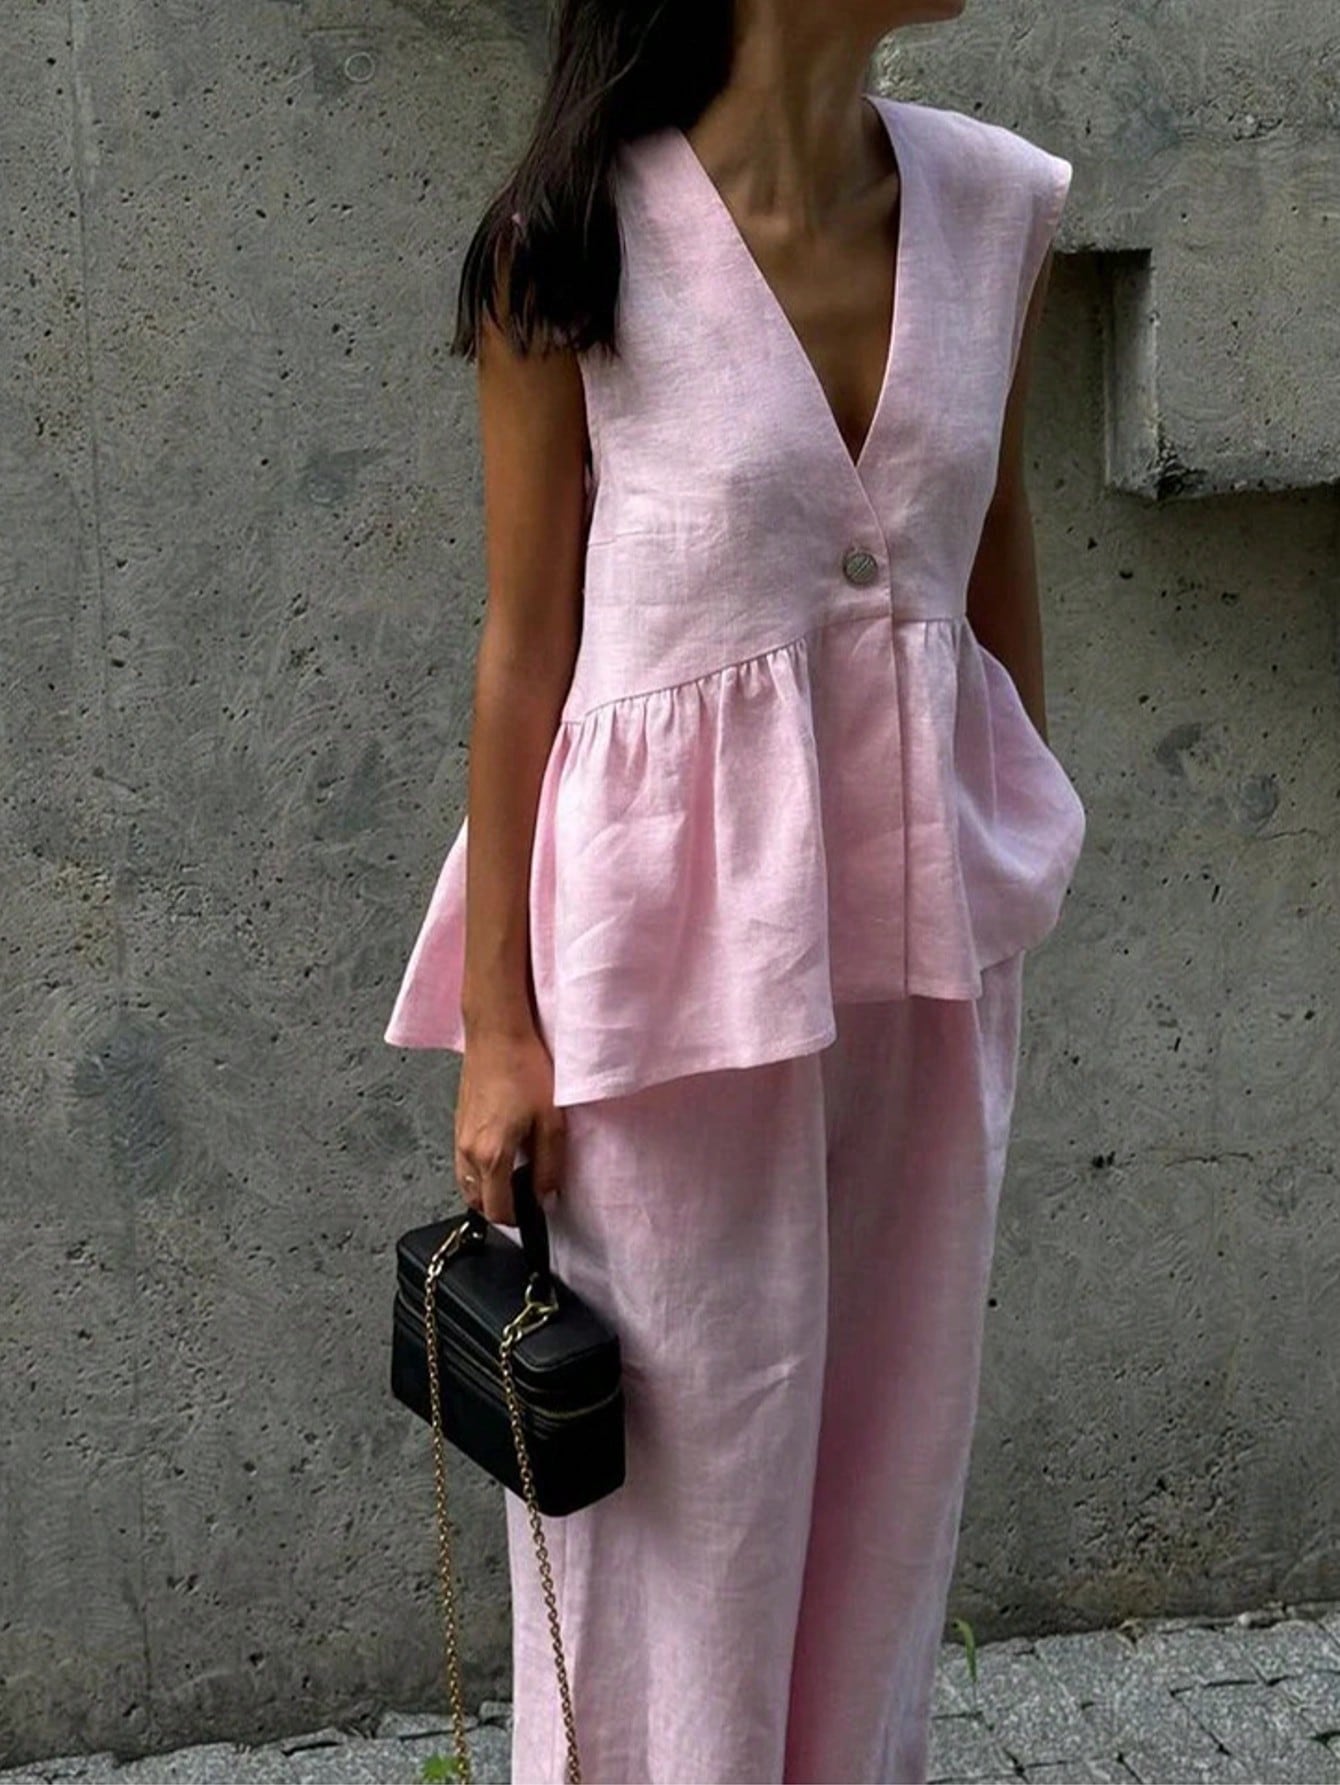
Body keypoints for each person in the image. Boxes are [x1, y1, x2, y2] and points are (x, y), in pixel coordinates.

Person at [383, 2, 1087, 1779]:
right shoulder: (574, 240)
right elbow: (524, 647)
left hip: (921, 977)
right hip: (665, 978)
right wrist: (495, 1024)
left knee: (885, 1478)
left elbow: (990, 563)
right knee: (680, 1517)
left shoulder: (994, 208)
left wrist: (1016, 847)